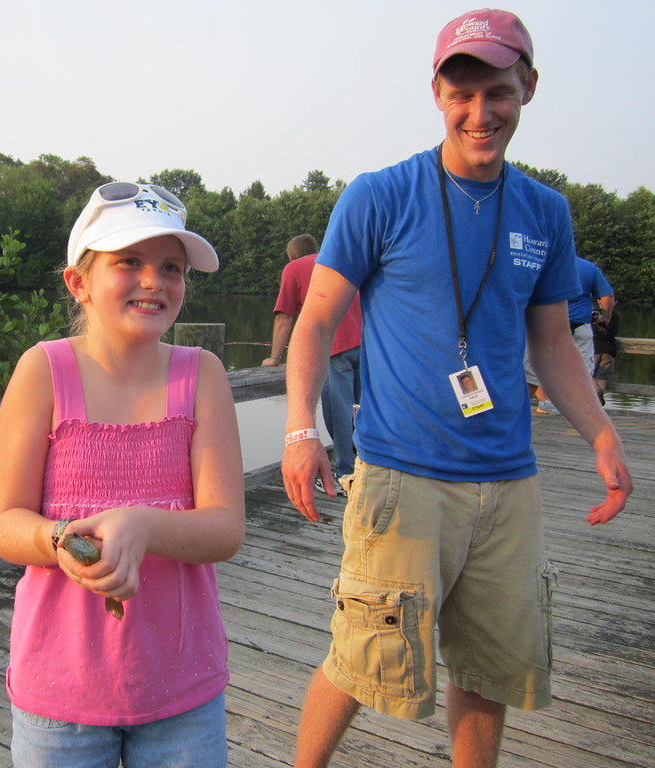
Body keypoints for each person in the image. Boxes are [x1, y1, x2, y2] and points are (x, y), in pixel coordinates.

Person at [279, 9, 633, 768]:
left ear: (527, 89)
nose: (481, 112)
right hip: (401, 478)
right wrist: (301, 430)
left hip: (509, 482)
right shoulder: (380, 196)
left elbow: (551, 343)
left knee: (490, 669)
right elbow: (313, 326)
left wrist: (602, 434)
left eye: (498, 92)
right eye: (462, 92)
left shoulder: (547, 212)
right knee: (358, 657)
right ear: (436, 93)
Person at [0, 181, 245, 768]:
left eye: (172, 267)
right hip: (59, 691)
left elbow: (226, 528)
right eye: (129, 261)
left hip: (182, 684)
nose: (155, 281)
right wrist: (58, 540)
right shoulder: (42, 370)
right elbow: (5, 524)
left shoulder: (202, 374)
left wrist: (143, 526)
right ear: (78, 282)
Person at [261, 234, 362, 495]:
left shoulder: (294, 267)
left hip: (333, 346)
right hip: (366, 343)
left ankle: (344, 474)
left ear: (291, 255)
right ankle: (369, 468)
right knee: (363, 409)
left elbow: (285, 316)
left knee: (337, 411)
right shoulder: (337, 260)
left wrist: (274, 357)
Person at [530, 256, 614, 414]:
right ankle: (581, 405)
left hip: (549, 325)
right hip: (580, 326)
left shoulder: (543, 265)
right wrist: (606, 317)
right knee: (583, 367)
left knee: (543, 365)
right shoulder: (589, 268)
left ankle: (546, 403)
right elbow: (607, 296)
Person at [592, 296, 620, 405]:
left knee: (588, 374)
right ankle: (598, 402)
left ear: (599, 301)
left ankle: (596, 392)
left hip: (594, 348)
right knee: (602, 376)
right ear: (615, 302)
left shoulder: (593, 313)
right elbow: (613, 332)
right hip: (609, 349)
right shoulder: (615, 316)